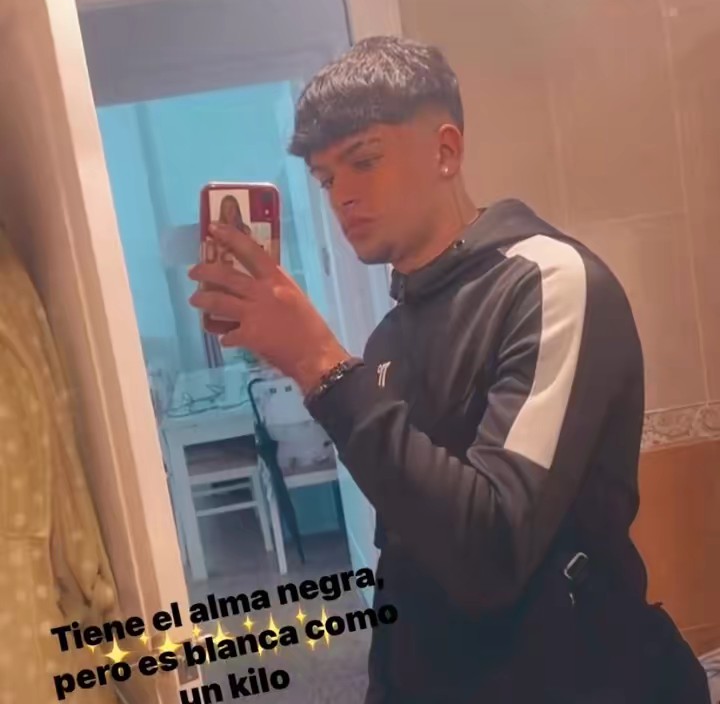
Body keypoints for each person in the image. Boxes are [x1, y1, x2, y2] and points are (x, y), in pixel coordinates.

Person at [188, 36, 711, 703]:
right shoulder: (389, 338)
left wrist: (319, 364)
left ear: (445, 151)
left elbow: (491, 553)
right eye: (326, 179)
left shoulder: (548, 282)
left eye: (364, 161)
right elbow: (407, 551)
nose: (342, 196)